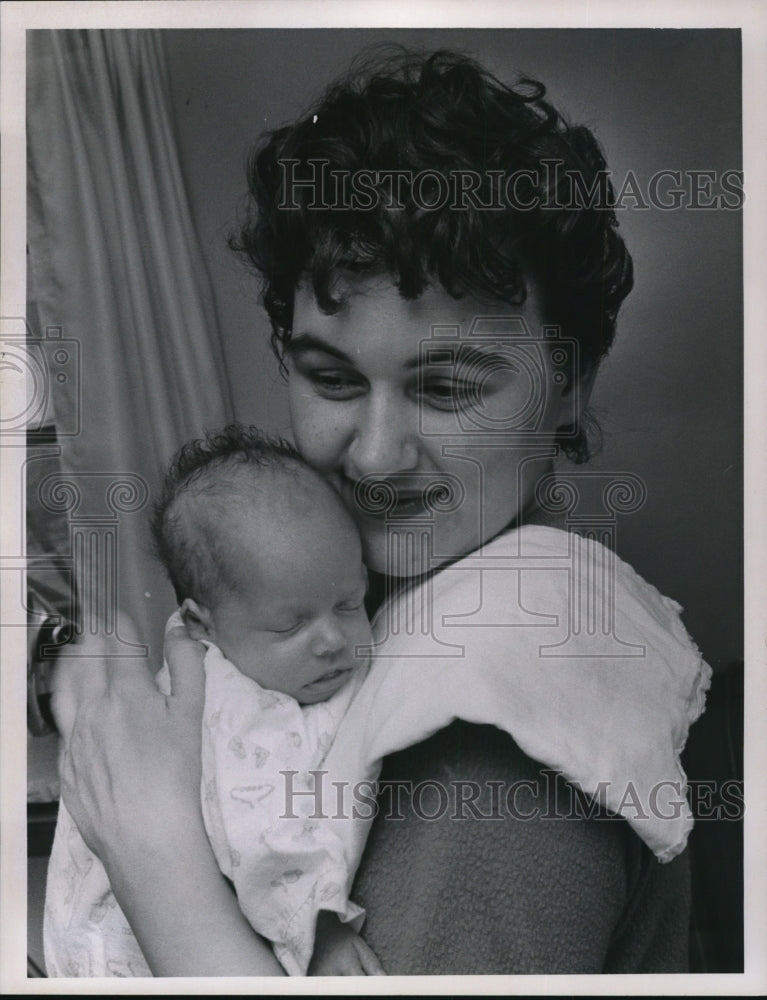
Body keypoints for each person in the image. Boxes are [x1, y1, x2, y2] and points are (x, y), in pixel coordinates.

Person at [52, 48, 711, 976]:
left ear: (569, 386)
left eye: (446, 387)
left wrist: (148, 847)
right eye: (331, 379)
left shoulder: (497, 731)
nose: (371, 455)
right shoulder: (380, 600)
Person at [44, 425, 385, 977]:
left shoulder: (273, 660)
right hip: (120, 944)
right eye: (291, 625)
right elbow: (261, 835)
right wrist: (319, 929)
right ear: (203, 624)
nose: (332, 640)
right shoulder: (230, 701)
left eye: (348, 603)